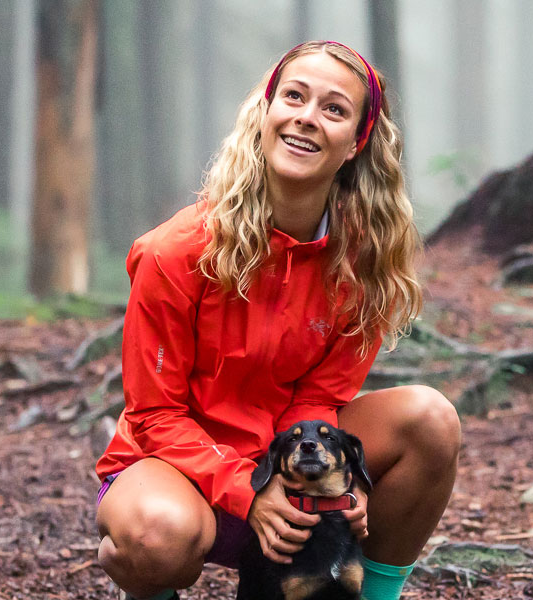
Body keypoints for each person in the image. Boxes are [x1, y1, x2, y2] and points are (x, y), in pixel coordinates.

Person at [93, 41, 460, 600]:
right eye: (293, 96)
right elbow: (155, 414)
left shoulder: (362, 261)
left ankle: (371, 595)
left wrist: (336, 483)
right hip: (175, 469)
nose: (307, 118)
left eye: (334, 109)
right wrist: (249, 490)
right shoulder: (174, 251)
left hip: (288, 463)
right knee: (156, 535)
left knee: (431, 420)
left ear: (356, 142)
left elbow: (320, 398)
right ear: (265, 113)